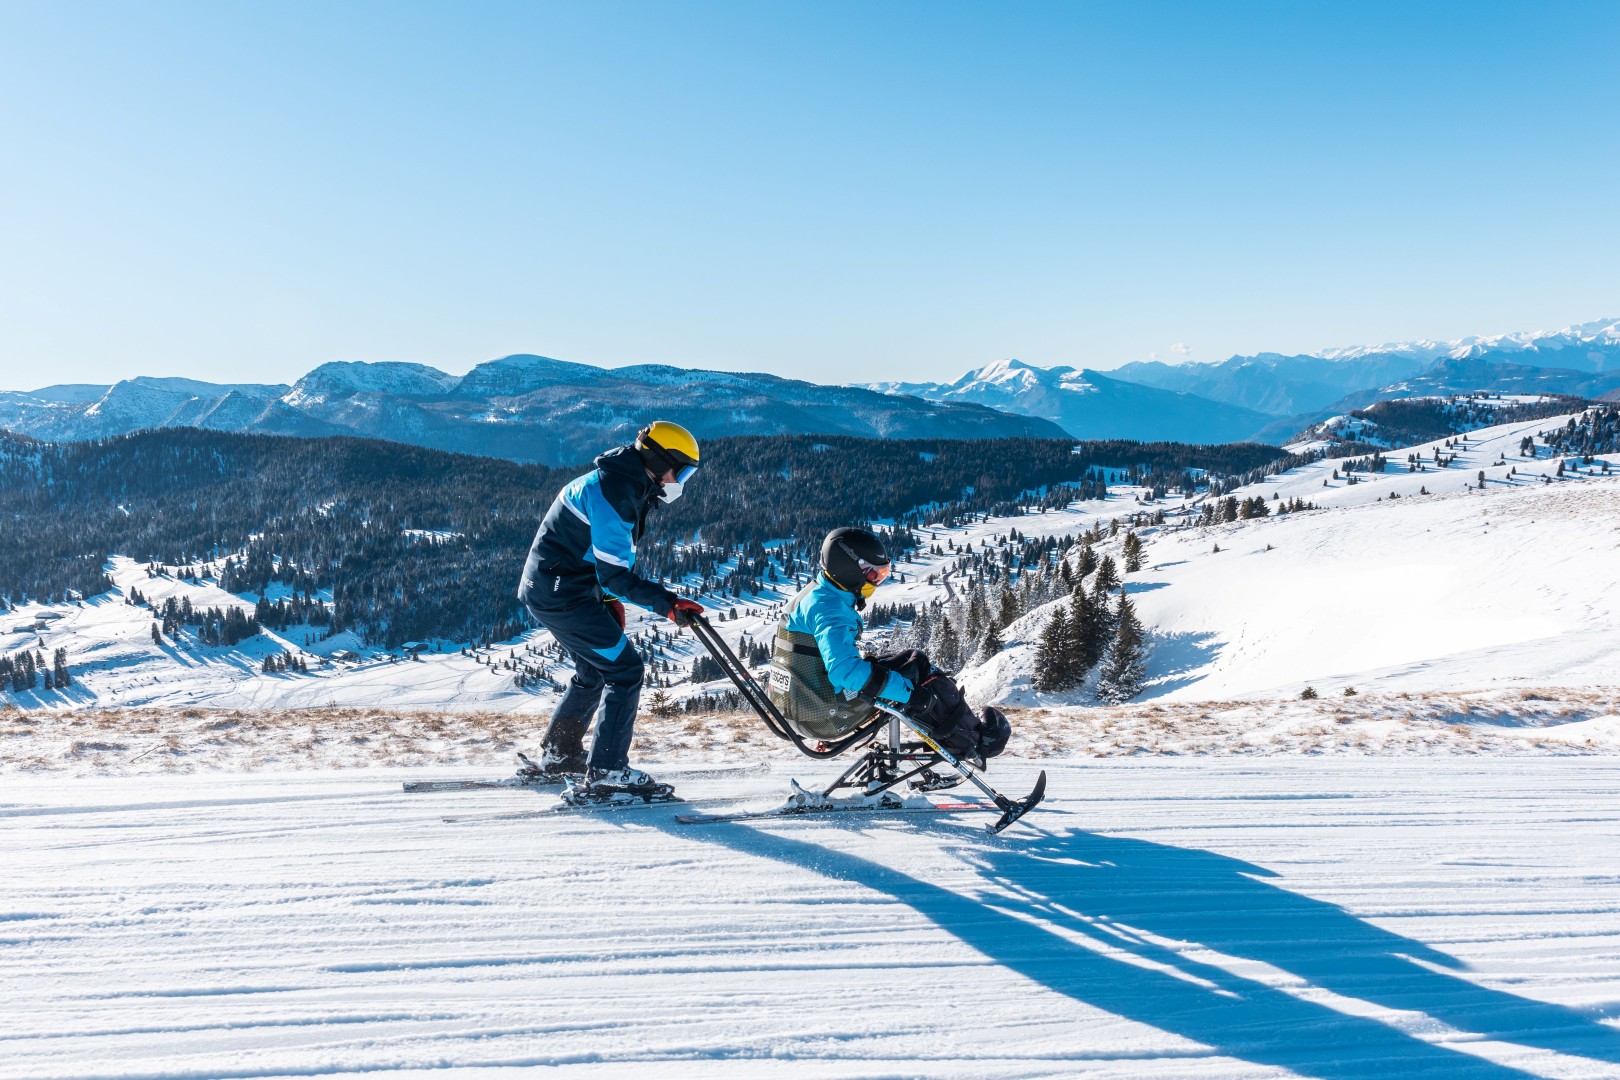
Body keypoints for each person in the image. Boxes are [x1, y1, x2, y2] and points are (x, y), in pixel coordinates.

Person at [517, 420, 706, 791]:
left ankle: (560, 754)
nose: (678, 480)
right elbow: (615, 575)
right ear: (658, 459)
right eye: (680, 469)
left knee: (595, 668)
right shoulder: (615, 493)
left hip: (558, 587)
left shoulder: (622, 481)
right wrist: (668, 605)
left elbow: (585, 553)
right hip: (562, 593)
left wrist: (605, 598)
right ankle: (608, 772)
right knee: (626, 670)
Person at [769, 527, 1010, 764]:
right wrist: (912, 694)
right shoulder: (831, 611)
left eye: (881, 574)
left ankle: (956, 732)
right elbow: (845, 672)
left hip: (797, 708)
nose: (876, 581)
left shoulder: (817, 594)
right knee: (917, 670)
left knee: (906, 662)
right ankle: (976, 739)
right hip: (824, 715)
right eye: (873, 574)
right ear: (848, 568)